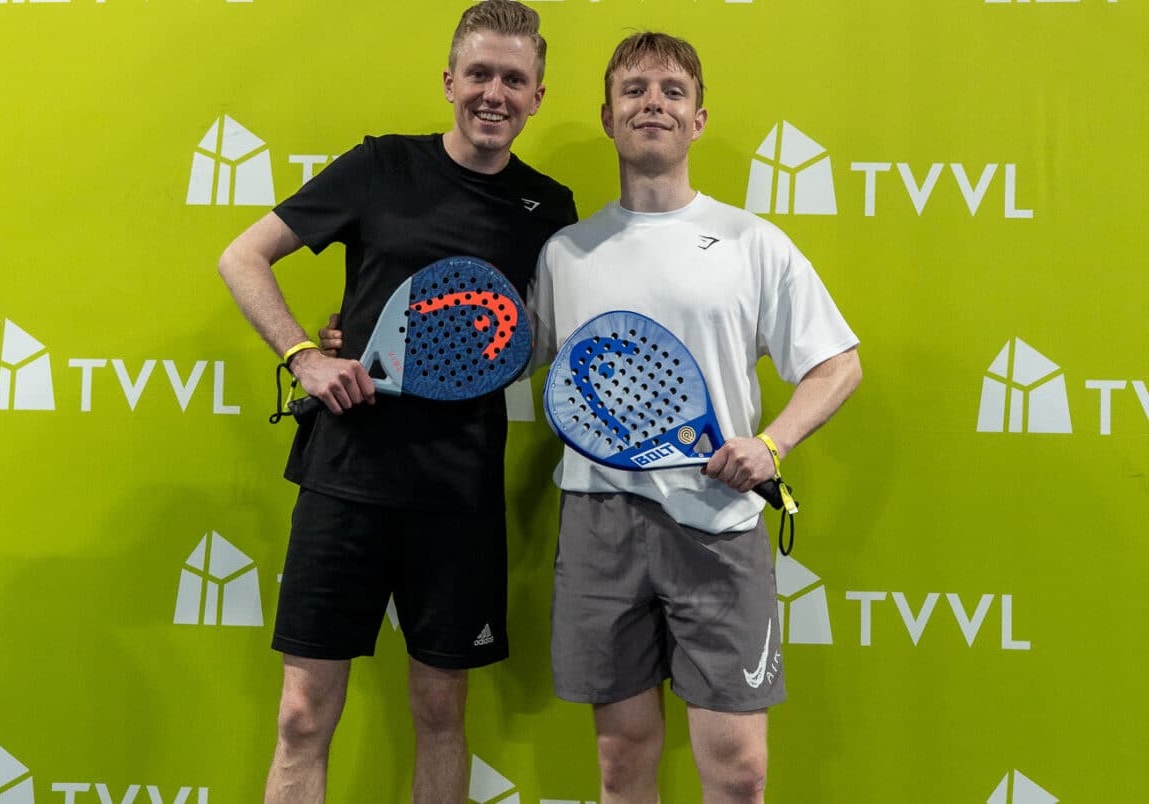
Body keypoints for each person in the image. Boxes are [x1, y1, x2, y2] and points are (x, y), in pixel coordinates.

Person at [216, 1, 576, 801]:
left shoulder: (549, 207)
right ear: (449, 80)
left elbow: (538, 338)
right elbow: (243, 257)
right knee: (301, 716)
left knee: (441, 712)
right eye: (478, 74)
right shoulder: (380, 165)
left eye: (513, 79)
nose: (493, 93)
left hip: (457, 491)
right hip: (346, 476)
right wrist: (304, 355)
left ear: (537, 95)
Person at [527, 33, 861, 803]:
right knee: (621, 765)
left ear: (698, 119)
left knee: (740, 772)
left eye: (672, 91)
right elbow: (511, 354)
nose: (654, 103)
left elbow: (838, 364)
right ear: (607, 116)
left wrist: (772, 444)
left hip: (718, 524)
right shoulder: (566, 253)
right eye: (635, 90)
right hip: (599, 522)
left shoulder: (753, 243)